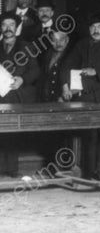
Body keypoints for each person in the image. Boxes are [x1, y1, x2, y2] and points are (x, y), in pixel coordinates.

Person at [61, 11, 100, 180]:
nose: (96, 30)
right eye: (93, 27)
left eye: (99, 27)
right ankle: (87, 172)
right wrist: (65, 84)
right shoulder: (82, 44)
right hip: (85, 97)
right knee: (88, 135)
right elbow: (67, 64)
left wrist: (96, 71)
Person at [0, 12, 40, 176]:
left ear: (16, 27)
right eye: (5, 25)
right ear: (1, 28)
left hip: (18, 96)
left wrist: (22, 79)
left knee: (12, 133)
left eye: (11, 25)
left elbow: (35, 70)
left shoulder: (26, 46)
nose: (8, 28)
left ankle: (12, 170)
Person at [36, 28, 71, 102]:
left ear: (67, 40)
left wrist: (64, 96)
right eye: (54, 40)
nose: (58, 44)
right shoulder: (46, 55)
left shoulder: (73, 55)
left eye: (61, 40)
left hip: (63, 101)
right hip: (45, 100)